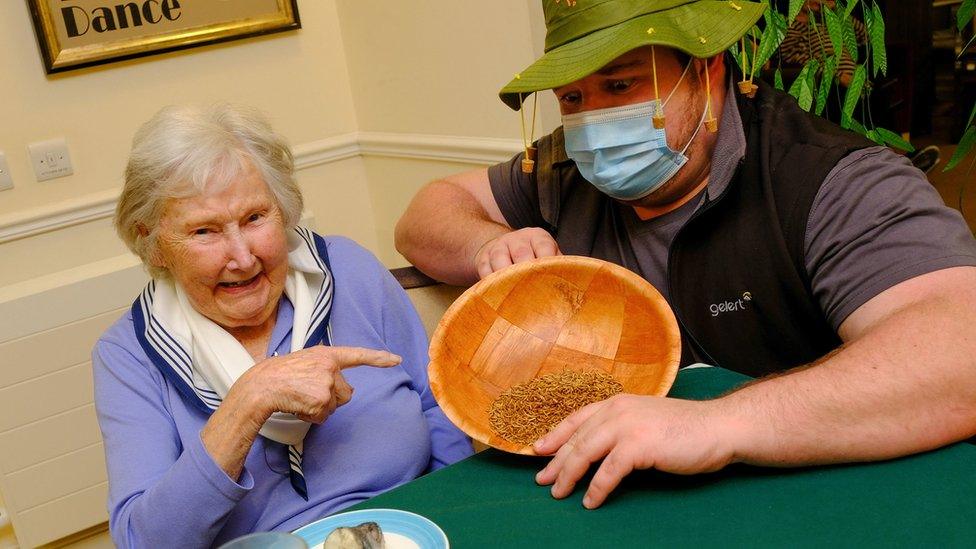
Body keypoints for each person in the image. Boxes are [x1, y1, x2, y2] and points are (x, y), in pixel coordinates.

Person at [395, 0, 976, 510]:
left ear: (705, 71)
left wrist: (723, 422)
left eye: (621, 86)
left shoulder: (829, 180)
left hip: (823, 492)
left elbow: (958, 356)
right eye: (572, 97)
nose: (594, 120)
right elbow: (425, 216)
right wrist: (485, 242)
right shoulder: (556, 171)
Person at [94, 104, 473, 547]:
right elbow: (146, 541)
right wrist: (248, 402)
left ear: (284, 209)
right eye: (204, 232)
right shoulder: (128, 355)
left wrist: (450, 517)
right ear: (153, 243)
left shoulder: (348, 270)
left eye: (255, 218)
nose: (242, 256)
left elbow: (438, 406)